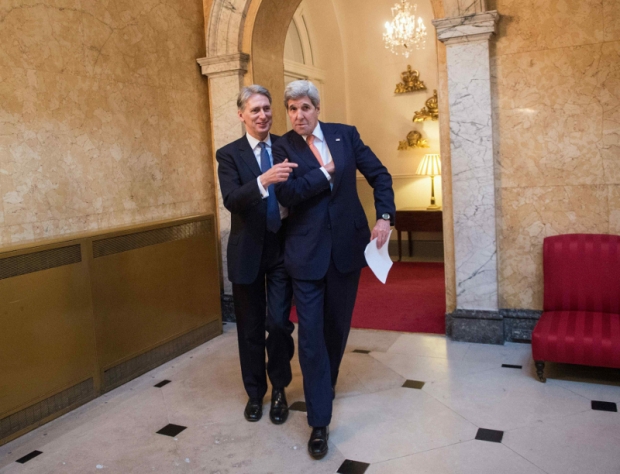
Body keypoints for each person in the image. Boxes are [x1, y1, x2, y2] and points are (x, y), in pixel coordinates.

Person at [273, 80, 395, 459]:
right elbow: (287, 194)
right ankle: (319, 421)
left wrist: (385, 216)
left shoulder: (345, 136)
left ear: (318, 108)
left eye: (304, 108)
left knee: (336, 328)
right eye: (291, 109)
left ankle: (324, 383)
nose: (298, 115)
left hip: (345, 251)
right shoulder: (282, 146)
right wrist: (322, 174)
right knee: (309, 336)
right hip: (306, 255)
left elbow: (380, 175)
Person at [216, 85, 298, 426]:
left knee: (279, 324)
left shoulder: (286, 145)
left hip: (281, 248)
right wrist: (263, 180)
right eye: (255, 110)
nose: (263, 115)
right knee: (249, 329)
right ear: (241, 115)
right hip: (247, 251)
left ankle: (279, 389)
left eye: (266, 109)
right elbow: (232, 199)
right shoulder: (229, 154)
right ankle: (255, 392)